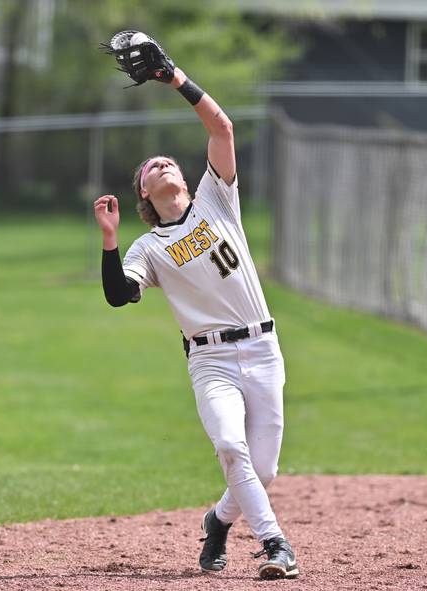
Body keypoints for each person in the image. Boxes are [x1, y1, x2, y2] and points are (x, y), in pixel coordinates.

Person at [93, 64, 299, 580]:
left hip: (262, 348)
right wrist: (110, 240)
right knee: (232, 448)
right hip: (210, 360)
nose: (161, 164)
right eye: (149, 167)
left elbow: (222, 128)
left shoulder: (217, 200)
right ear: (144, 194)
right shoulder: (149, 246)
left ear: (185, 178)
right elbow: (120, 295)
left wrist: (174, 77)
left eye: (167, 161)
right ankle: (276, 545)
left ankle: (218, 520)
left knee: (265, 469)